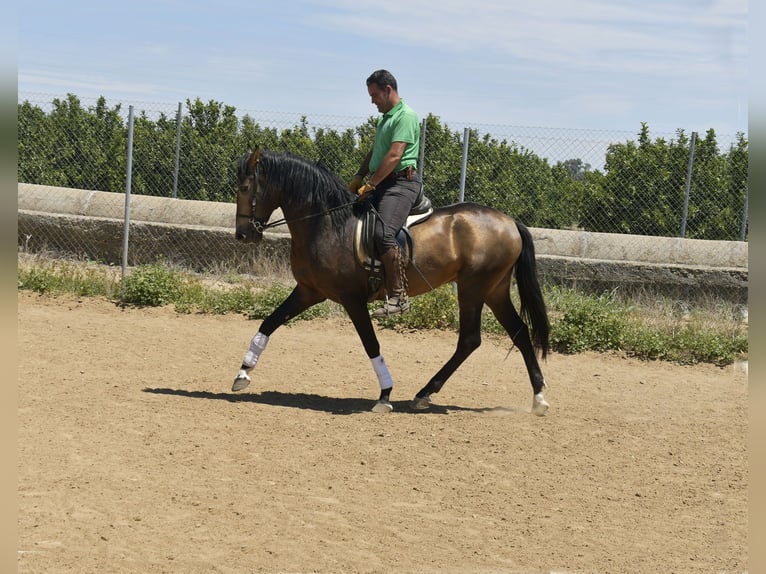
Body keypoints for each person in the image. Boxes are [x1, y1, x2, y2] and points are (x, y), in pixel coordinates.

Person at [349, 69, 421, 317]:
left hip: (401, 185)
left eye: (374, 95)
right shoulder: (386, 118)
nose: (372, 101)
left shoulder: (406, 116)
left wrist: (370, 185)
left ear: (388, 90)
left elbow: (394, 155)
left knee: (384, 233)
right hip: (382, 183)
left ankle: (399, 298)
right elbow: (376, 151)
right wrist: (359, 175)